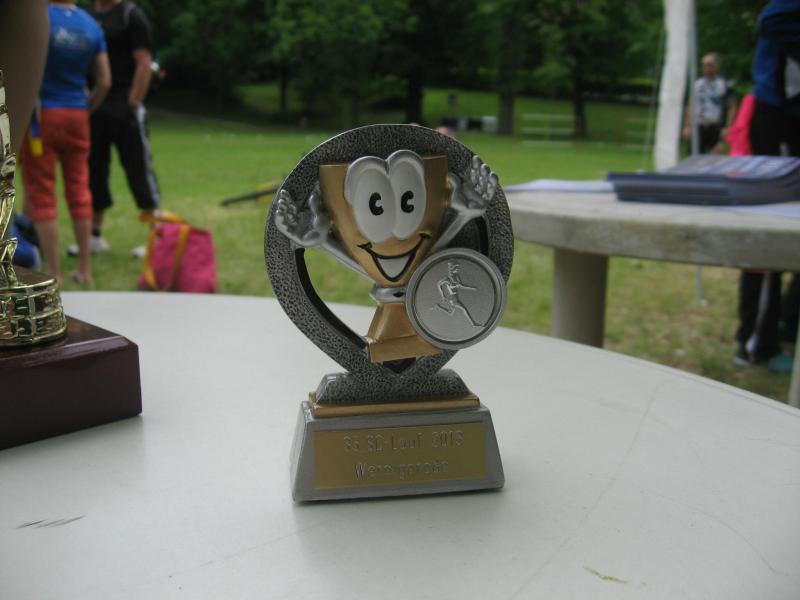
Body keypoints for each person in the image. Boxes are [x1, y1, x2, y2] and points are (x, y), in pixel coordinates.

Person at [20, 0, 111, 285]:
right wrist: (87, 108)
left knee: (42, 192)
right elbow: (105, 81)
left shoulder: (40, 17)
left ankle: (54, 272)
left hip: (42, 116)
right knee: (79, 189)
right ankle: (85, 269)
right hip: (77, 115)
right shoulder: (91, 24)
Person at [734, 0, 800, 374]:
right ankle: (756, 342)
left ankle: (787, 320)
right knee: (770, 227)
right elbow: (774, 18)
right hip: (779, 117)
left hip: (788, 116)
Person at [74, 0, 160, 257]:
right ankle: (94, 236)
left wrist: (133, 102)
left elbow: (144, 62)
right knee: (95, 171)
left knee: (139, 170)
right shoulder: (87, 15)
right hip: (96, 106)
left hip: (125, 107)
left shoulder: (131, 16)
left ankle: (156, 238)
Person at [682, 52, 738, 153]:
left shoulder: (724, 83)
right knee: (695, 157)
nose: (706, 68)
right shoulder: (696, 83)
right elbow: (690, 105)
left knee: (715, 157)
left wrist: (728, 127)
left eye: (709, 65)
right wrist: (687, 126)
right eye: (704, 65)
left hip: (716, 127)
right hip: (699, 126)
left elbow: (732, 106)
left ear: (717, 65)